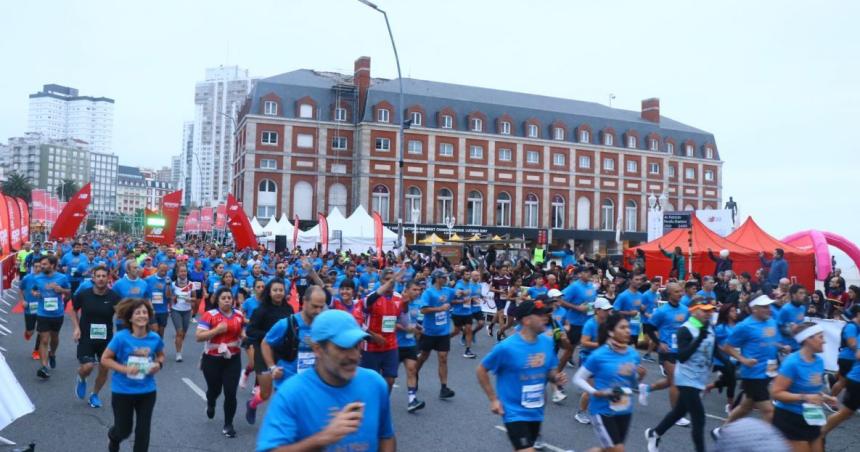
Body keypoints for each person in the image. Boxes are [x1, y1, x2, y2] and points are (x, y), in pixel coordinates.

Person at [255, 309, 395, 452]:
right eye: (343, 347)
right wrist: (323, 438)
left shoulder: (375, 383)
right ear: (318, 349)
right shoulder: (291, 393)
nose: (354, 356)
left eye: (356, 345)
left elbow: (386, 437)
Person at [476, 300, 568, 452]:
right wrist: (493, 399)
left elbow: (550, 371)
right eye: (540, 315)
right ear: (526, 320)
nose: (546, 318)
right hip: (513, 411)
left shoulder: (546, 342)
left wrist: (556, 378)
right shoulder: (507, 347)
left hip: (536, 410)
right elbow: (481, 369)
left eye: (546, 314)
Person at [645, 299, 727, 452]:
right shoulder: (685, 329)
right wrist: (699, 338)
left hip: (700, 378)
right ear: (694, 311)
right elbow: (682, 356)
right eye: (704, 310)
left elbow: (714, 349)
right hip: (685, 378)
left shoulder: (708, 327)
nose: (709, 313)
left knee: (679, 411)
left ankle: (654, 433)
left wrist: (727, 366)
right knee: (699, 418)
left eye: (710, 310)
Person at [714, 295, 789, 438]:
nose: (769, 309)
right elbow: (728, 347)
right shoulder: (744, 326)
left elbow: (771, 341)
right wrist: (743, 360)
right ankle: (767, 444)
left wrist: (781, 347)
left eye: (769, 306)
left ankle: (722, 431)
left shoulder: (771, 322)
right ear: (754, 309)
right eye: (765, 307)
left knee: (745, 407)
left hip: (769, 371)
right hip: (753, 373)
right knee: (769, 411)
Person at [573, 313, 645, 452]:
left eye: (628, 327)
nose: (628, 330)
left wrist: (639, 377)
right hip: (603, 410)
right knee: (617, 449)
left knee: (609, 449)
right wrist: (595, 392)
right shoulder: (599, 355)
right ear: (611, 332)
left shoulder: (633, 354)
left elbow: (632, 383)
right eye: (622, 327)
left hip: (624, 408)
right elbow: (578, 378)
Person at [101, 298, 165, 452]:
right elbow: (105, 359)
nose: (142, 315)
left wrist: (158, 364)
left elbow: (161, 355)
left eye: (145, 312)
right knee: (124, 430)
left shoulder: (154, 338)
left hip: (147, 390)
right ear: (130, 318)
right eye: (138, 313)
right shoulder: (121, 337)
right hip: (123, 390)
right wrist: (125, 369)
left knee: (143, 431)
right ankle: (113, 436)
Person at [770, 322, 835, 452]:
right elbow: (776, 393)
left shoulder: (819, 361)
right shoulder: (792, 362)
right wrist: (805, 397)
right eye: (820, 337)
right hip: (791, 419)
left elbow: (811, 390)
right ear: (808, 339)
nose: (824, 341)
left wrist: (824, 396)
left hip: (813, 417)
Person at [196, 287, 246, 438]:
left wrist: (244, 337)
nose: (227, 300)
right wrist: (216, 330)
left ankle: (228, 424)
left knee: (230, 392)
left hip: (232, 358)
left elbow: (241, 332)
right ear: (217, 300)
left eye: (229, 298)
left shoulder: (238, 314)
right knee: (215, 390)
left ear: (233, 300)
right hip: (212, 359)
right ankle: (211, 402)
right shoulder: (209, 315)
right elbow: (198, 337)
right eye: (223, 298)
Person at [69, 265, 122, 408]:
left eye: (103, 276)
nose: (101, 279)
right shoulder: (84, 294)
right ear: (93, 278)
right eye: (98, 276)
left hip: (106, 338)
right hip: (86, 336)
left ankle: (94, 394)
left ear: (108, 278)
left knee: (104, 368)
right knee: (87, 367)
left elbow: (121, 315)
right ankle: (81, 377)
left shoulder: (114, 297)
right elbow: (73, 310)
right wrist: (76, 327)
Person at [244, 278, 294, 425]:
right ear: (269, 292)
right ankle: (251, 405)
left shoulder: (289, 309)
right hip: (263, 351)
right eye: (275, 290)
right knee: (265, 393)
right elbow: (250, 330)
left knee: (283, 390)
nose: (278, 293)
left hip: (283, 353)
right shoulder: (261, 310)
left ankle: (281, 420)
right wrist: (269, 336)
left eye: (281, 290)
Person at [641, 282, 691, 426]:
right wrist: (659, 343)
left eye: (681, 291)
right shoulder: (662, 312)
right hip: (667, 350)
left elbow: (691, 326)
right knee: (676, 380)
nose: (680, 294)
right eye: (676, 292)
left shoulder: (685, 309)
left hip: (680, 350)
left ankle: (647, 389)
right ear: (669, 294)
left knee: (670, 381)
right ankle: (676, 415)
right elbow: (650, 328)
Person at [356, 268, 403, 391]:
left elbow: (399, 320)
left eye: (393, 280)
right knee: (371, 382)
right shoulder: (372, 297)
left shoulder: (399, 298)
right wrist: (373, 335)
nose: (391, 282)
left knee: (390, 380)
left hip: (390, 346)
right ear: (381, 280)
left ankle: (382, 405)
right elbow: (357, 320)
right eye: (388, 280)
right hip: (371, 347)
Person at [415, 270, 456, 399]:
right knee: (423, 356)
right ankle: (414, 373)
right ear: (437, 278)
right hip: (429, 332)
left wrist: (463, 293)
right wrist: (440, 309)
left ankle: (444, 388)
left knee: (443, 358)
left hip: (443, 332)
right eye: (444, 277)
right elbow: (423, 309)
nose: (446, 279)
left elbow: (457, 294)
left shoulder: (448, 291)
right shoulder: (428, 293)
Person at [574, 297, 614, 425]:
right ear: (597, 310)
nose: (608, 312)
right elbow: (584, 342)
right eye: (605, 310)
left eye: (609, 309)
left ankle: (599, 410)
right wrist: (601, 344)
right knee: (590, 388)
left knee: (605, 385)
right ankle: (580, 412)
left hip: (602, 358)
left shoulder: (607, 323)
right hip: (588, 358)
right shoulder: (590, 324)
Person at [32, 254, 72, 379]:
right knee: (44, 340)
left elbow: (69, 291)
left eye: (44, 264)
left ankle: (52, 353)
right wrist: (35, 293)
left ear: (52, 265)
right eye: (41, 264)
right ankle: (44, 367)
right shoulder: (37, 278)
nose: (41, 266)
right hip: (42, 313)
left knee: (54, 337)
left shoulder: (62, 277)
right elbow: (33, 290)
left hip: (57, 313)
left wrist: (62, 290)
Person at [395, 280, 426, 412]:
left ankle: (412, 400)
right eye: (414, 289)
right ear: (406, 290)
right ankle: (379, 399)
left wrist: (419, 327)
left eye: (419, 290)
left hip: (410, 343)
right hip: (395, 344)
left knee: (412, 370)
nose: (417, 292)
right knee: (389, 376)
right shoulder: (397, 303)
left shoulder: (419, 304)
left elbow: (414, 321)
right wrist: (405, 329)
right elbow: (390, 322)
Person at [709, 303, 739, 414]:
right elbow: (713, 343)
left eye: (735, 310)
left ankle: (709, 386)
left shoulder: (737, 326)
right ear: (726, 313)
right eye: (732, 311)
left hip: (734, 358)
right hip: (721, 359)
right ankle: (730, 406)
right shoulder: (721, 328)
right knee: (732, 381)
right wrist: (724, 349)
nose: (735, 313)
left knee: (728, 380)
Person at [832, 305, 860, 398]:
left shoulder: (856, 326)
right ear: (858, 314)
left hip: (851, 358)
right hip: (847, 358)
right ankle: (831, 400)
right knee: (842, 382)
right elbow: (852, 344)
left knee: (845, 381)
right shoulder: (851, 326)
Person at [170, 263, 194, 362]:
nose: (183, 273)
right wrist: (173, 298)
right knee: (179, 332)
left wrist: (190, 299)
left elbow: (195, 298)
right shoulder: (172, 284)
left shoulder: (191, 284)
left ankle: (177, 342)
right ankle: (178, 354)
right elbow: (169, 297)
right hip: (176, 310)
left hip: (187, 311)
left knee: (183, 333)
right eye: (181, 271)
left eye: (185, 271)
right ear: (177, 273)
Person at [19, 260, 43, 361]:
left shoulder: (45, 278)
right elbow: (20, 289)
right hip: (30, 308)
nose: (38, 269)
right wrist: (22, 300)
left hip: (42, 308)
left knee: (42, 331)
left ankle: (36, 350)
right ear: (33, 267)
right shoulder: (27, 278)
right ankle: (28, 332)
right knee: (31, 331)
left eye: (40, 267)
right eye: (36, 266)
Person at [145, 262, 172, 338]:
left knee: (161, 333)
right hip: (152, 310)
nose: (163, 272)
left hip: (163, 310)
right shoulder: (149, 279)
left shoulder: (168, 280)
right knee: (154, 330)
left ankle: (158, 348)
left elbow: (168, 296)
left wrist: (167, 285)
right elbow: (146, 295)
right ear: (157, 269)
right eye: (162, 270)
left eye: (165, 271)